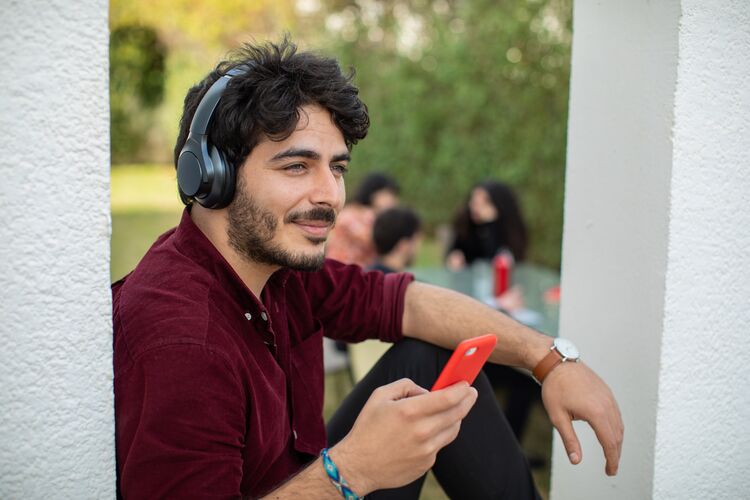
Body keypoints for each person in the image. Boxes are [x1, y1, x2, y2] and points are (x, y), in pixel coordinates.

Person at [112, 38, 623, 499]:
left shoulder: (279, 269)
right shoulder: (182, 340)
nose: (331, 196)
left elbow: (406, 303)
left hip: (308, 482)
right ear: (210, 176)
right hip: (329, 484)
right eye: (296, 166)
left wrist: (548, 359)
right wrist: (350, 470)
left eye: (336, 168)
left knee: (430, 358)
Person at [446, 180, 528, 271]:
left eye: (486, 201)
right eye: (474, 200)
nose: (476, 206)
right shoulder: (466, 224)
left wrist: (490, 224)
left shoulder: (509, 231)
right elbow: (454, 251)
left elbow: (498, 259)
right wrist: (455, 257)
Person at [325, 172, 400, 267]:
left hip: (360, 273)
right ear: (375, 193)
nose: (393, 200)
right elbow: (377, 240)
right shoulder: (352, 215)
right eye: (389, 194)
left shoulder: (370, 215)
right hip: (339, 271)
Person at [370, 206, 422, 275]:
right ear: (404, 245)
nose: (419, 246)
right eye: (417, 240)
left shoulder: (365, 278)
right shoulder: (409, 285)